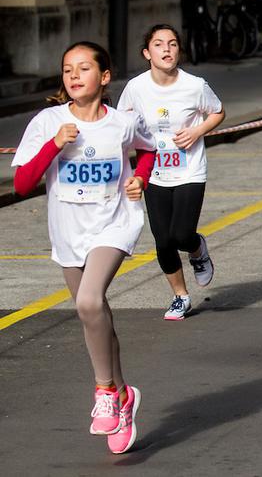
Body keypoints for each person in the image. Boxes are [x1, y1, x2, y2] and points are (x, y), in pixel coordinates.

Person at [12, 41, 156, 454]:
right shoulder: (48, 121)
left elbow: (148, 151)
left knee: (90, 302)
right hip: (69, 232)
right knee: (96, 315)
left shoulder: (122, 123)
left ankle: (105, 392)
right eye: (67, 70)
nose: (74, 76)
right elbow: (22, 184)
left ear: (105, 77)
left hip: (114, 224)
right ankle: (126, 396)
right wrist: (54, 144)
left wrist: (140, 179)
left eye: (84, 68)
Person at [117, 25, 225, 320]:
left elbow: (217, 111)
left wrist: (197, 131)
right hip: (153, 173)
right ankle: (180, 296)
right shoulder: (136, 88)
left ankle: (197, 248)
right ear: (146, 53)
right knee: (163, 240)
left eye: (173, 44)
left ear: (179, 50)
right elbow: (122, 123)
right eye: (159, 44)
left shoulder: (194, 85)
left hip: (189, 170)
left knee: (180, 235)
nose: (166, 49)